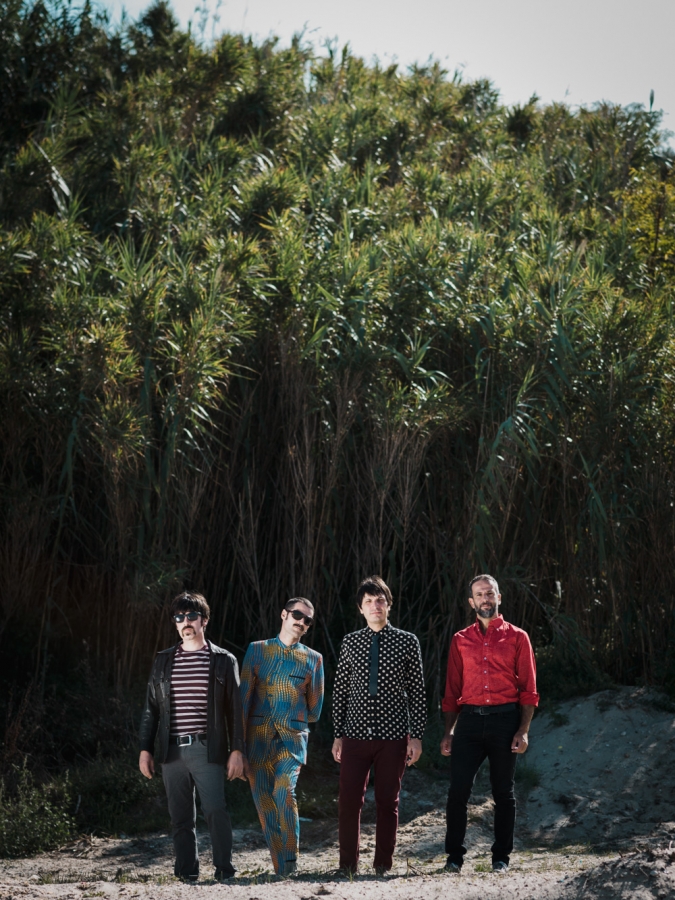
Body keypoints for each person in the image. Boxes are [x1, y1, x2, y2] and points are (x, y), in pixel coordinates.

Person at [139, 591, 245, 882]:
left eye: (191, 616)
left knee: (215, 810)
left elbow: (236, 710)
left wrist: (237, 750)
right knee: (180, 817)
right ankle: (186, 873)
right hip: (171, 751)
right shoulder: (163, 660)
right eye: (179, 617)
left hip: (206, 748)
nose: (185, 622)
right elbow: (151, 708)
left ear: (204, 620)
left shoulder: (223, 660)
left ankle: (225, 871)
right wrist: (145, 749)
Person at [440, 574, 539, 874]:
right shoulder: (460, 639)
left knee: (503, 793)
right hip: (469, 722)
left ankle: (501, 858)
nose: (486, 598)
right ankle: (454, 858)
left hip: (505, 721)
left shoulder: (518, 637)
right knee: (458, 791)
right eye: (480, 594)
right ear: (471, 602)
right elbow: (452, 690)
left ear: (499, 597)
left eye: (490, 593)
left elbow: (529, 690)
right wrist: (449, 731)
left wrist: (523, 730)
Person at [332, 576, 426, 876]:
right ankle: (347, 866)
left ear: (389, 605)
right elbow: (340, 690)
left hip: (394, 736)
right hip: (355, 735)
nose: (375, 606)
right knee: (349, 801)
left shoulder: (407, 641)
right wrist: (337, 735)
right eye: (369, 601)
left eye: (380, 600)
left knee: (388, 801)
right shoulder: (350, 642)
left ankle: (383, 865)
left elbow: (417, 692)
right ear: (361, 608)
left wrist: (417, 737)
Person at [240, 598, 324, 876]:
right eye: (297, 615)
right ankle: (281, 869)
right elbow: (243, 700)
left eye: (307, 620)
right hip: (257, 739)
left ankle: (290, 862)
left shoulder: (313, 658)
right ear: (284, 614)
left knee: (284, 791)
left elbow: (315, 710)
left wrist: (291, 717)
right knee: (264, 802)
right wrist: (237, 747)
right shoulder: (257, 650)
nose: (301, 622)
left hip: (292, 739)